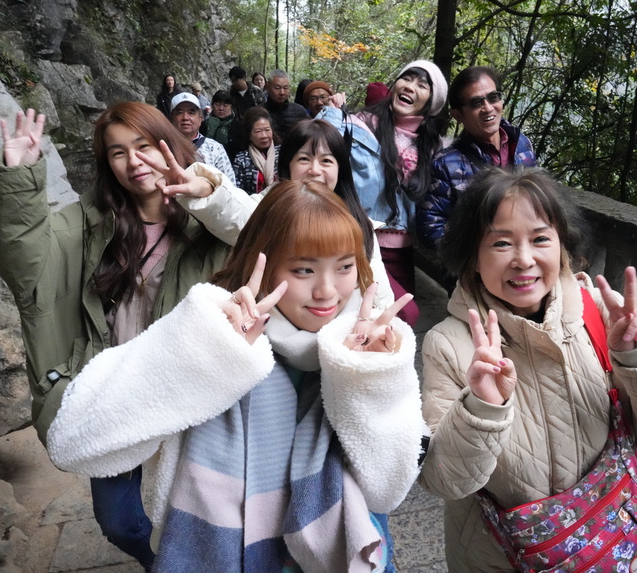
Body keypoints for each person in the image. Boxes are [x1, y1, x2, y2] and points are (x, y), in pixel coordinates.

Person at [46, 180, 425, 572]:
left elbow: (387, 490)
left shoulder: (371, 350)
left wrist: (367, 377)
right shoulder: (218, 335)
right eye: (304, 269)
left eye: (345, 266)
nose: (327, 291)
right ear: (263, 264)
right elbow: (72, 442)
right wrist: (204, 348)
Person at [0, 102, 255, 570]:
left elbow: (267, 235)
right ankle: (161, 562)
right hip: (115, 388)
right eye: (118, 152)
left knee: (205, 510)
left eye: (144, 146)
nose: (134, 161)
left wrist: (208, 194)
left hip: (193, 383)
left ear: (170, 145)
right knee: (118, 521)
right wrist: (17, 179)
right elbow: (21, 255)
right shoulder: (87, 223)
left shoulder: (212, 222)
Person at [418, 167, 637, 572]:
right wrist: (481, 407)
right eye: (501, 243)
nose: (524, 259)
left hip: (615, 541)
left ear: (562, 248)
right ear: (472, 259)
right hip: (500, 555)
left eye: (540, 239)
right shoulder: (449, 344)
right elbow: (445, 480)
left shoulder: (598, 311)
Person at [354, 60, 447, 326]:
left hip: (402, 250)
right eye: (407, 78)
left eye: (422, 85)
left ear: (431, 102)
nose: (410, 87)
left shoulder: (432, 146)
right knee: (403, 313)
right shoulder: (363, 126)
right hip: (362, 242)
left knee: (399, 325)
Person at [276, 118, 394, 309]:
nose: (315, 170)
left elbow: (379, 294)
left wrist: (377, 321)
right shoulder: (267, 214)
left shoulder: (357, 223)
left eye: (326, 161)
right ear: (287, 165)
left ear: (340, 169)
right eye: (304, 159)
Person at [419, 66, 538, 250]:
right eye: (475, 103)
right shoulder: (445, 165)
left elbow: (539, 199)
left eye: (493, 97)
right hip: (480, 263)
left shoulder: (522, 145)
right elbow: (430, 228)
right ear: (458, 115)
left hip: (527, 253)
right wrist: (482, 250)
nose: (488, 108)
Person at [170, 91, 236, 183]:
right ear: (171, 118)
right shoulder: (163, 146)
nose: (185, 117)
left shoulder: (215, 148)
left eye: (191, 113)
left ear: (200, 119)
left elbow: (229, 184)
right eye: (179, 112)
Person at [232, 106, 278, 194]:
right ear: (249, 134)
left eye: (267, 130)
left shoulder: (282, 153)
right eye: (258, 131)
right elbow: (238, 191)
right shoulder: (241, 159)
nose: (264, 136)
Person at [263, 70, 310, 139]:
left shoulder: (300, 111)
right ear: (267, 87)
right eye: (277, 88)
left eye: (285, 88)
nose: (282, 92)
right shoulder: (258, 112)